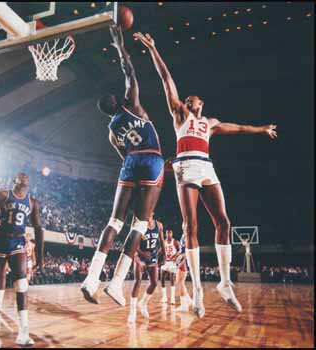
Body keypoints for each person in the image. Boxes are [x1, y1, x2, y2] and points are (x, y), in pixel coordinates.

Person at [134, 31, 278, 318]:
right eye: (186, 98)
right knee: (191, 227)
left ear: (201, 103)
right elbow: (166, 81)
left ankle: (225, 283)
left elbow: (236, 128)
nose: (188, 98)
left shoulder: (210, 123)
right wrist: (153, 48)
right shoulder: (179, 115)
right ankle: (198, 289)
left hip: (206, 166)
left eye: (192, 98)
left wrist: (261, 129)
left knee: (224, 221)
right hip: (186, 166)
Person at [81, 25, 164, 307]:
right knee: (139, 224)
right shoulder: (132, 105)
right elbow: (130, 71)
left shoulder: (111, 129)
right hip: (150, 158)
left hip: (129, 163)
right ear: (116, 100)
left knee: (115, 221)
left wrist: (132, 169)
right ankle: (116, 284)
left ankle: (91, 279)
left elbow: (121, 153)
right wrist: (119, 44)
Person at [0, 172, 44, 345]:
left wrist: (40, 255)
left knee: (22, 284)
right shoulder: (3, 194)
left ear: (28, 186)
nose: (21, 188)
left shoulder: (32, 203)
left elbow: (39, 229)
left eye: (25, 185)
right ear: (13, 183)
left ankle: (23, 332)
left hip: (18, 242)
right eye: (19, 185)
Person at [128, 212, 165, 323]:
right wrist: (142, 254)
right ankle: (132, 311)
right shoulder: (140, 225)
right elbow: (135, 244)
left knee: (154, 283)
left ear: (153, 212)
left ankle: (143, 303)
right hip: (140, 255)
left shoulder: (159, 225)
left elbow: (162, 241)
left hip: (152, 255)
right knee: (137, 281)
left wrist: (164, 255)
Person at [160, 229, 180, 305]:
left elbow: (179, 251)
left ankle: (172, 299)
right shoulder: (164, 242)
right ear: (165, 234)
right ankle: (164, 297)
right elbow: (161, 250)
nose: (168, 235)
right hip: (166, 262)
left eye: (170, 233)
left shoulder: (175, 242)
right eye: (167, 233)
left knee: (172, 280)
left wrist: (175, 256)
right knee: (162, 279)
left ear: (172, 234)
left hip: (172, 263)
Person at [175, 233, 193, 312]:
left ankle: (184, 305)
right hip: (183, 259)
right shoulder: (184, 234)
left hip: (185, 260)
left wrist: (183, 256)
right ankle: (188, 300)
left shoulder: (189, 235)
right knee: (179, 282)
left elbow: (191, 249)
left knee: (180, 282)